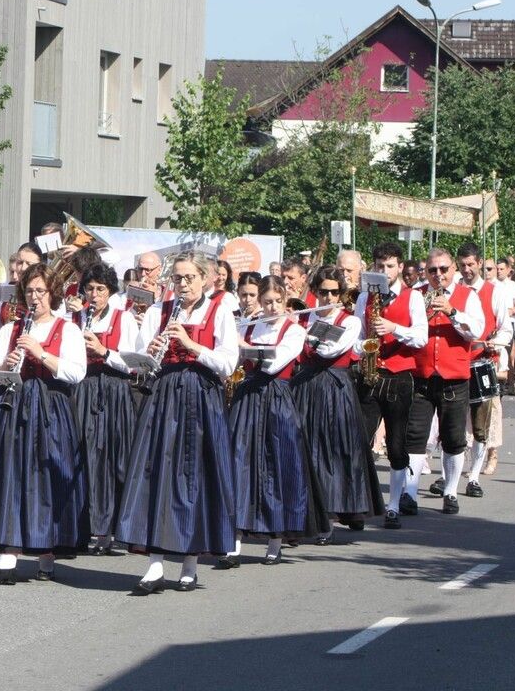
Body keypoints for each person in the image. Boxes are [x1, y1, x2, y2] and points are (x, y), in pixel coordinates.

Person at [116, 252, 238, 594]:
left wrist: (190, 344)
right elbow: (138, 362)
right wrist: (151, 353)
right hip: (165, 393)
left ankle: (189, 564)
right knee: (156, 473)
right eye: (178, 279)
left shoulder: (221, 310)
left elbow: (228, 363)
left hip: (201, 395)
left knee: (195, 476)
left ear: (206, 279)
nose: (182, 285)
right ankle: (155, 565)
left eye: (188, 278)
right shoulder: (159, 310)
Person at [0, 264, 88, 584]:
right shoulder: (9, 330)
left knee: (47, 477)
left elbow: (76, 372)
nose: (35, 297)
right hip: (18, 405)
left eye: (41, 291)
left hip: (53, 409)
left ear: (52, 294)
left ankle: (47, 552)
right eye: (30, 291)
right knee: (13, 475)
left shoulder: (66, 329)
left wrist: (40, 354)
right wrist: (5, 365)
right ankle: (8, 557)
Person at [223, 276, 320, 567]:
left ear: (286, 300)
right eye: (267, 302)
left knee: (277, 466)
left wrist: (242, 344)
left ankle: (275, 541)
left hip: (277, 398)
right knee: (240, 463)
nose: (272, 307)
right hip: (248, 396)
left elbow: (275, 363)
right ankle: (234, 543)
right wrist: (234, 345)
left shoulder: (294, 330)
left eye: (278, 301)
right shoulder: (252, 325)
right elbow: (236, 361)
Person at [290, 268, 382, 542]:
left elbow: (330, 350)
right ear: (315, 292)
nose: (328, 296)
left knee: (335, 453)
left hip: (334, 390)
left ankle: (333, 515)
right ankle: (303, 515)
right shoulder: (304, 319)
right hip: (305, 387)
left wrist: (302, 335)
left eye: (333, 292)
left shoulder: (350, 321)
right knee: (307, 450)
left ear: (341, 294)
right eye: (322, 292)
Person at [353, 242, 427, 530]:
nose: (384, 271)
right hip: (370, 375)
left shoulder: (412, 298)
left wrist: (395, 328)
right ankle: (359, 505)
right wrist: (364, 345)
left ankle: (394, 506)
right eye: (379, 266)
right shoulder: (364, 298)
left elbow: (421, 337)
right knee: (360, 441)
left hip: (399, 377)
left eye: (390, 266)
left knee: (397, 445)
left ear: (399, 268)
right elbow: (356, 339)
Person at [407, 247, 483, 517]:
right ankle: (409, 492)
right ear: (425, 272)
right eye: (432, 270)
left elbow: (476, 330)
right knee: (414, 437)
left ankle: (450, 492)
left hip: (453, 378)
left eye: (443, 269)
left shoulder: (467, 296)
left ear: (453, 270)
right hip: (422, 375)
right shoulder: (416, 295)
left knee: (453, 439)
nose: (438, 275)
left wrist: (452, 312)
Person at [70, 263, 139, 556]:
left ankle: (112, 531)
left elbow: (132, 363)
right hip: (83, 388)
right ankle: (84, 528)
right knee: (83, 456)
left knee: (113, 458)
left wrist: (103, 351)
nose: (94, 295)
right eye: (90, 289)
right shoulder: (74, 318)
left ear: (110, 291)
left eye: (100, 289)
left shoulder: (125, 319)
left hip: (114, 390)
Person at [447, 243, 506, 500]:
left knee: (481, 424)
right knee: (453, 422)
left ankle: (473, 476)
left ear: (480, 263)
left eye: (471, 264)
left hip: (482, 361)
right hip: (455, 364)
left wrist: (496, 342)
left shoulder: (494, 292)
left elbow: (505, 328)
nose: (467, 269)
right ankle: (449, 475)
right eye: (463, 265)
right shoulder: (453, 291)